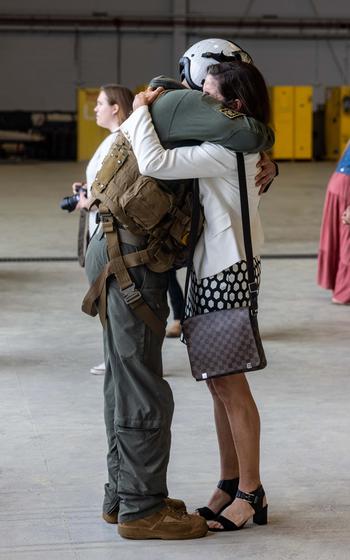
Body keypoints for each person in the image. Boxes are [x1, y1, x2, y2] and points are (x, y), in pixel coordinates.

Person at [83, 39, 274, 540]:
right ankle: (156, 498)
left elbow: (235, 144)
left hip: (221, 275)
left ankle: (243, 492)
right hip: (190, 272)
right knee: (202, 384)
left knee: (222, 384)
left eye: (217, 90)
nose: (208, 97)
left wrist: (141, 110)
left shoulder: (218, 140)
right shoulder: (202, 124)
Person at [72, 84, 133, 374]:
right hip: (103, 228)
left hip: (109, 231)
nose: (95, 108)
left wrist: (89, 203)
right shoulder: (113, 140)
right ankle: (115, 357)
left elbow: (114, 192)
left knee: (111, 298)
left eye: (99, 103)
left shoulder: (117, 142)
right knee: (109, 298)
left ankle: (117, 359)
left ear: (116, 108)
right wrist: (87, 193)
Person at [318, 139, 350, 305]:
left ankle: (338, 284)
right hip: (347, 186)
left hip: (338, 180)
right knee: (348, 238)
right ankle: (344, 292)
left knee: (338, 235)